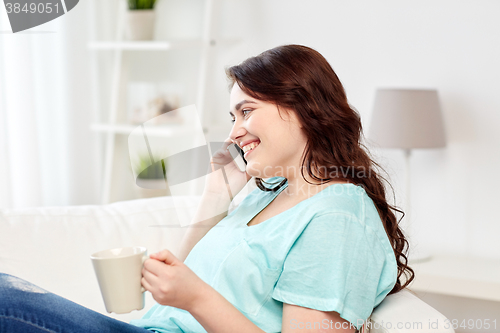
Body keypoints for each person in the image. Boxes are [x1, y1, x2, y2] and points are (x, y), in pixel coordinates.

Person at [0, 44, 414, 333]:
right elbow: (173, 295)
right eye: (232, 116)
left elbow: (191, 296)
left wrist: (196, 298)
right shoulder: (266, 194)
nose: (234, 133)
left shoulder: (337, 216)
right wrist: (216, 198)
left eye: (246, 112)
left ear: (303, 107)